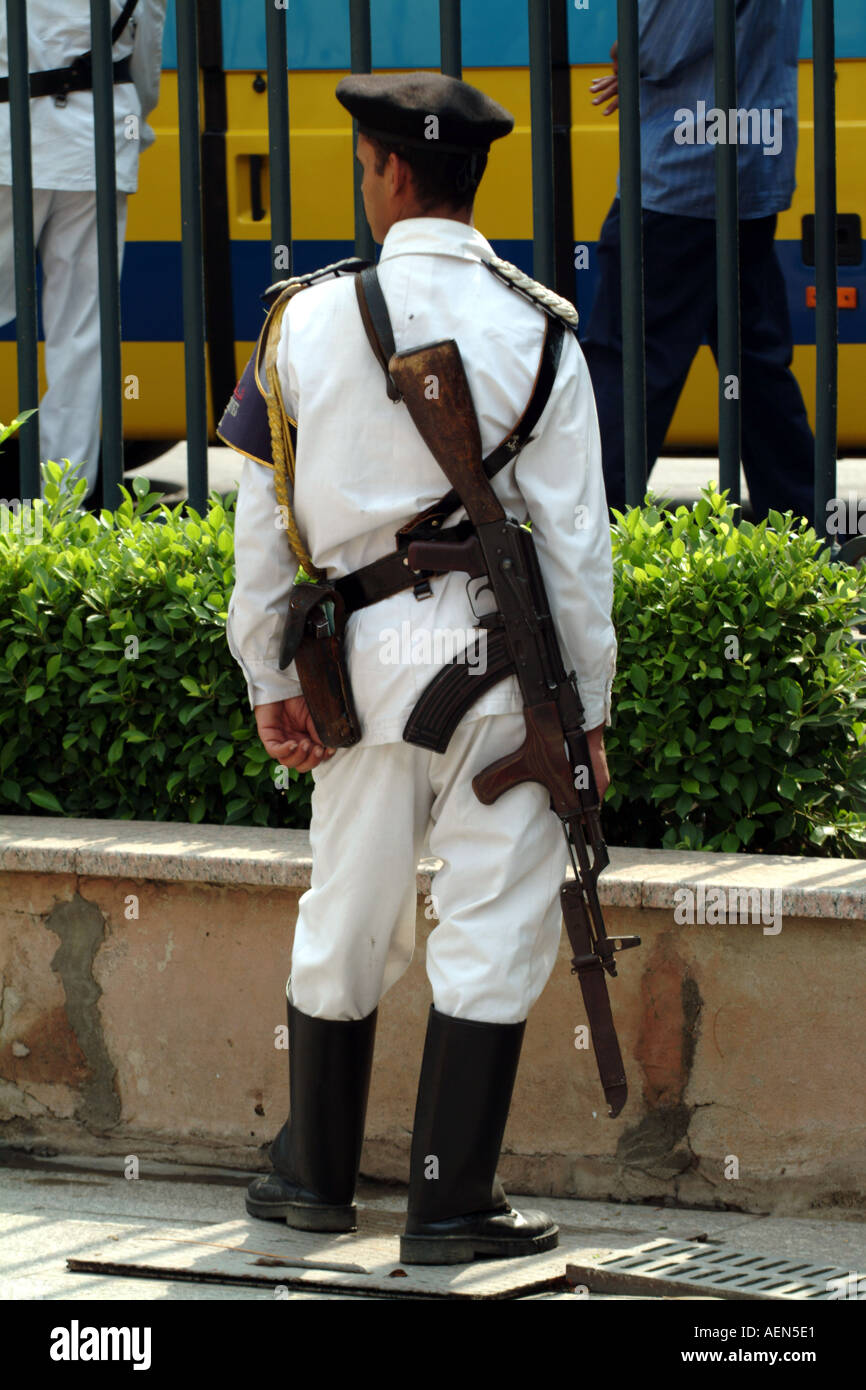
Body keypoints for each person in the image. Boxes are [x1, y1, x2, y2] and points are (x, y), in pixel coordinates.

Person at [222, 71, 617, 1265]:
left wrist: (266, 673)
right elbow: (581, 550)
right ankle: (448, 1205)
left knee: (348, 901)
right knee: (492, 913)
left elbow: (260, 522)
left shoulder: (304, 318)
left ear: (390, 174)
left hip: (359, 658)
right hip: (502, 672)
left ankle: (311, 1177)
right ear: (469, 177)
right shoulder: (539, 325)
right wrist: (587, 710)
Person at [582, 0, 815, 526]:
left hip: (684, 176)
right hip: (752, 166)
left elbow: (661, 41)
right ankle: (804, 540)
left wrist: (628, 49)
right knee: (756, 365)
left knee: (629, 363)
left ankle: (588, 541)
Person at [0, 0, 166, 503]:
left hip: (9, 139)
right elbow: (147, 66)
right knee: (81, 334)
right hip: (98, 140)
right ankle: (59, 507)